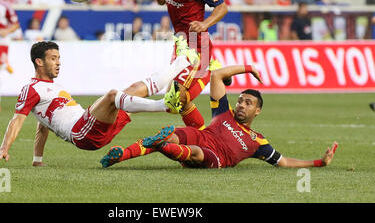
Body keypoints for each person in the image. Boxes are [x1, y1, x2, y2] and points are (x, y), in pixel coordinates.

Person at [0, 39, 198, 164]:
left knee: (132, 91)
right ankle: (165, 104)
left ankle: (181, 61)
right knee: (113, 96)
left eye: (59, 58)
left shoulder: (52, 90)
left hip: (92, 125)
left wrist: (37, 160)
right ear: (39, 62)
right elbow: (17, 119)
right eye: (53, 59)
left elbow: (43, 126)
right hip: (82, 132)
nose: (58, 63)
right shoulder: (31, 89)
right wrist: (4, 148)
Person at [101, 64, 339, 169]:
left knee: (194, 152)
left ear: (258, 111)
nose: (242, 106)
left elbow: (285, 162)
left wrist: (319, 162)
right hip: (202, 134)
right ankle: (122, 155)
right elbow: (216, 76)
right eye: (241, 101)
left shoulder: (258, 142)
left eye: (248, 103)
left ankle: (162, 144)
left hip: (215, 157)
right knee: (174, 135)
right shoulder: (223, 112)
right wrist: (248, 67)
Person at [147, 0, 229, 130]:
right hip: (181, 44)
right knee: (174, 100)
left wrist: (204, 24)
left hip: (197, 45)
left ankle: (209, 68)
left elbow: (222, 7)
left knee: (177, 99)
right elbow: (160, 0)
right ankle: (204, 137)